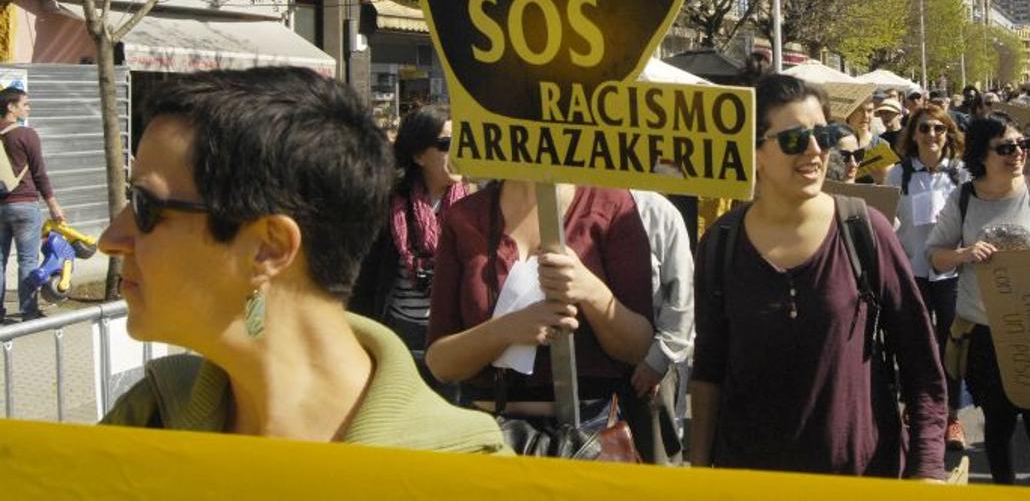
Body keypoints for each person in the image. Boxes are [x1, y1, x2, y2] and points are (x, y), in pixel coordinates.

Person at [97, 67, 506, 452]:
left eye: (145, 205)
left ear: (269, 249)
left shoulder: (467, 474)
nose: (110, 240)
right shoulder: (148, 417)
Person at [691, 75, 947, 478]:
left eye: (824, 136)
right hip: (749, 479)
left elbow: (920, 363)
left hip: (861, 477)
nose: (814, 150)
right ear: (755, 152)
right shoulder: (721, 243)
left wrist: (928, 468)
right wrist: (698, 475)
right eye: (794, 140)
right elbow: (708, 370)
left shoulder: (865, 230)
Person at [424, 180, 654, 433]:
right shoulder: (465, 216)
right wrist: (506, 330)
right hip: (489, 436)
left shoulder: (612, 205)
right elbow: (440, 363)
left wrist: (591, 291)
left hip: (587, 435)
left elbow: (638, 347)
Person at [926, 114, 1030, 488]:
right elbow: (935, 256)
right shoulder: (963, 198)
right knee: (999, 422)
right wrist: (964, 254)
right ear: (982, 154)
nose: (1018, 153)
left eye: (1023, 145)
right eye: (1006, 148)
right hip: (983, 333)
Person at [350, 106, 472, 368]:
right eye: (446, 144)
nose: (459, 151)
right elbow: (365, 278)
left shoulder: (477, 205)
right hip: (398, 333)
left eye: (463, 141)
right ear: (418, 155)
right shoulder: (389, 205)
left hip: (458, 334)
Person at [884, 103, 969, 451]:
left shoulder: (962, 174)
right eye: (924, 128)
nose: (931, 134)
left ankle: (952, 415)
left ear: (948, 134)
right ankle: (916, 406)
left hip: (951, 272)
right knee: (915, 342)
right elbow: (886, 220)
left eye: (938, 128)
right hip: (912, 270)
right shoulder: (897, 174)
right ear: (913, 134)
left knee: (952, 346)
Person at [629, 189, 694, 465]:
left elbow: (682, 297)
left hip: (649, 373)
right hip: (591, 378)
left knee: (655, 464)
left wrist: (657, 361)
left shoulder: (657, 211)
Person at [0, 86, 63, 323]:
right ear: (11, 107)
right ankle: (28, 311)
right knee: (27, 260)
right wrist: (53, 205)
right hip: (25, 205)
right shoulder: (27, 135)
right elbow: (39, 174)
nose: (29, 107)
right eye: (25, 104)